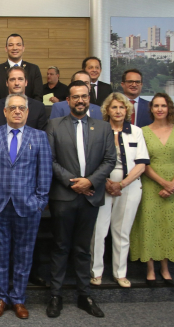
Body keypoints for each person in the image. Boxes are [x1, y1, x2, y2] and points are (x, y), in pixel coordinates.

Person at [45, 80, 116, 319]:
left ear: (89, 99)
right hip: (63, 197)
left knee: (83, 248)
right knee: (60, 246)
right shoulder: (54, 125)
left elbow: (109, 160)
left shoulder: (103, 128)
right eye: (75, 97)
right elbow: (50, 160)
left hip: (90, 197)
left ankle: (84, 295)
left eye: (84, 96)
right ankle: (56, 295)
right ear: (68, 101)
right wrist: (74, 182)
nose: (80, 101)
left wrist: (90, 182)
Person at [0, 93, 52, 319]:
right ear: (5, 112)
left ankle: (19, 299)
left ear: (27, 111)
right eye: (12, 108)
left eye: (22, 108)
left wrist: (40, 202)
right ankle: (1, 297)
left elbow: (45, 172)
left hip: (28, 207)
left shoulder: (39, 137)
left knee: (24, 255)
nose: (17, 111)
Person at [130, 93, 174, 285]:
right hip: (151, 184)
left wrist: (173, 182)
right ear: (151, 109)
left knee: (168, 225)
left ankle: (165, 268)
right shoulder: (143, 131)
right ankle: (150, 268)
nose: (159, 109)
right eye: (155, 106)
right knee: (150, 225)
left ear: (169, 108)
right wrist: (163, 183)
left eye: (163, 106)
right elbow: (142, 162)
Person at [90, 92, 149, 289]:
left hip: (129, 187)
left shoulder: (136, 132)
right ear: (107, 110)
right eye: (114, 107)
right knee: (99, 231)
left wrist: (121, 184)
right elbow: (91, 161)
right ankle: (96, 272)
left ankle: (120, 273)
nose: (118, 111)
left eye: (122, 107)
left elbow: (141, 164)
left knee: (122, 231)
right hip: (101, 185)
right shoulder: (98, 131)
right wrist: (106, 181)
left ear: (128, 110)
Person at [0, 66, 48, 131]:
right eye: (12, 79)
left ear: (26, 82)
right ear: (7, 83)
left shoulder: (38, 107)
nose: (16, 83)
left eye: (20, 79)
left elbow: (42, 137)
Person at [0, 34, 43, 103]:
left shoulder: (34, 69)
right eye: (11, 45)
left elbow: (38, 97)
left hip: (29, 112)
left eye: (18, 44)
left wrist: (25, 111)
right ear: (6, 48)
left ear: (23, 48)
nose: (15, 48)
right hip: (3, 112)